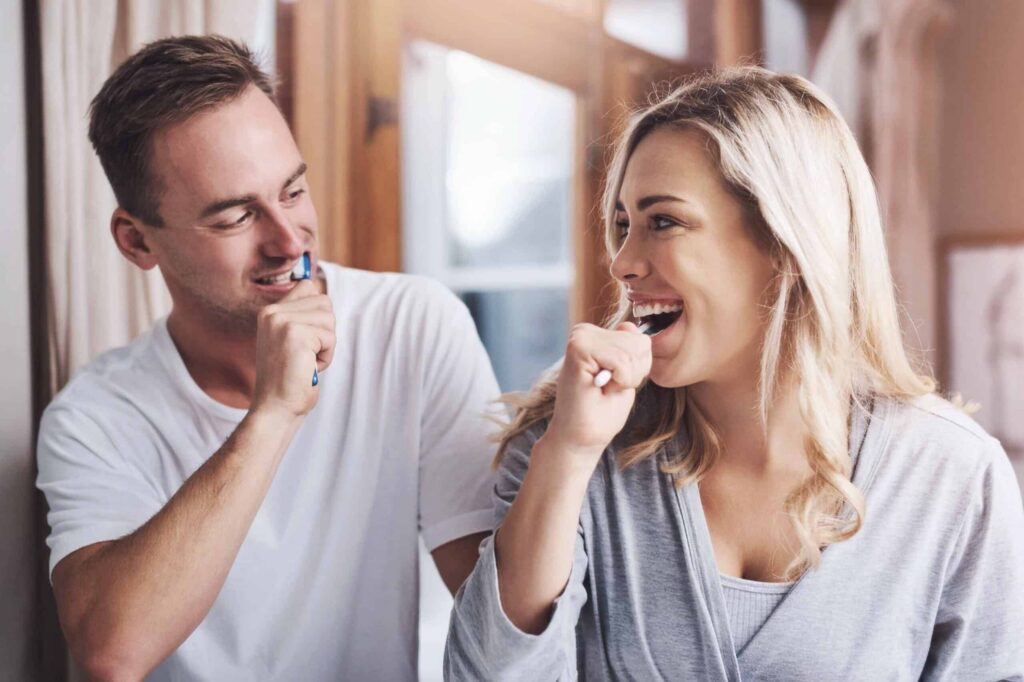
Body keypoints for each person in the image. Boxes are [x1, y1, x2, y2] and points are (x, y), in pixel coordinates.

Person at [445, 67, 1024, 680]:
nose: (621, 263)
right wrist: (567, 455)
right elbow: (487, 673)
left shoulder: (953, 477)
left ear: (785, 242)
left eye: (662, 221)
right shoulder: (566, 446)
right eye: (621, 225)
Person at [36, 35, 500, 681]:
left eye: (293, 191)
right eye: (235, 218)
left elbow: (497, 619)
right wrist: (275, 413)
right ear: (138, 241)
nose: (288, 240)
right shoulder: (95, 414)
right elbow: (112, 652)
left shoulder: (413, 324)